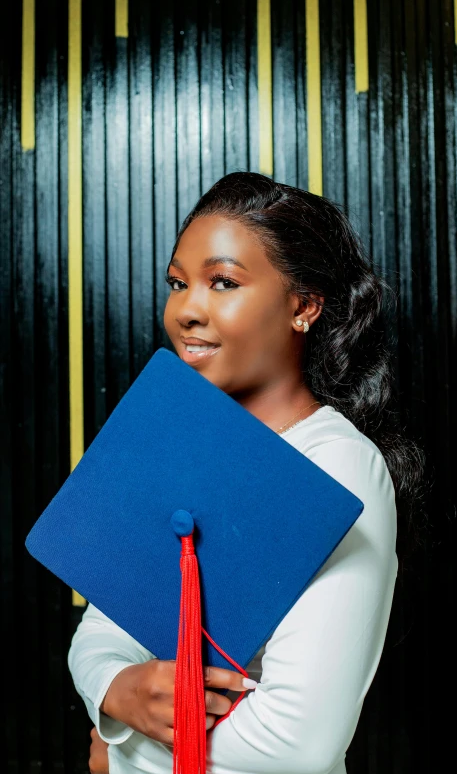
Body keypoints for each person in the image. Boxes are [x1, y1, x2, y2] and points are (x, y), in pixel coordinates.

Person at [68, 171, 425, 774]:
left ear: (304, 306)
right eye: (177, 283)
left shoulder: (336, 465)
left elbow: (296, 744)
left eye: (223, 282)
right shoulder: (179, 438)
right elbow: (100, 631)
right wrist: (115, 691)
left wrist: (120, 740)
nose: (186, 309)